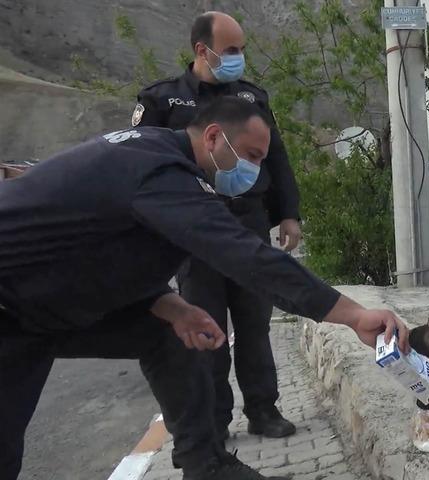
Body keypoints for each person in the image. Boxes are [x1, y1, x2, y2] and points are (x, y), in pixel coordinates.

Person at [0, 97, 411, 480]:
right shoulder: (161, 172)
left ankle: (206, 465)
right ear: (213, 136)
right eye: (251, 156)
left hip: (45, 306)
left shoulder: (154, 153)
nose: (254, 172)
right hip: (12, 306)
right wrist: (354, 314)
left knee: (172, 334)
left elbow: (108, 249)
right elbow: (247, 259)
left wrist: (173, 307)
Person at [133, 11, 303, 440]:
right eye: (230, 50)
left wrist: (289, 214)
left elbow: (276, 158)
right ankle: (215, 419)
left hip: (247, 223)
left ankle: (264, 410)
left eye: (241, 49)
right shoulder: (163, 101)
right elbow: (140, 166)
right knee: (207, 329)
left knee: (254, 326)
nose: (238, 58)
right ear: (201, 50)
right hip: (194, 233)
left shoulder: (252, 99)